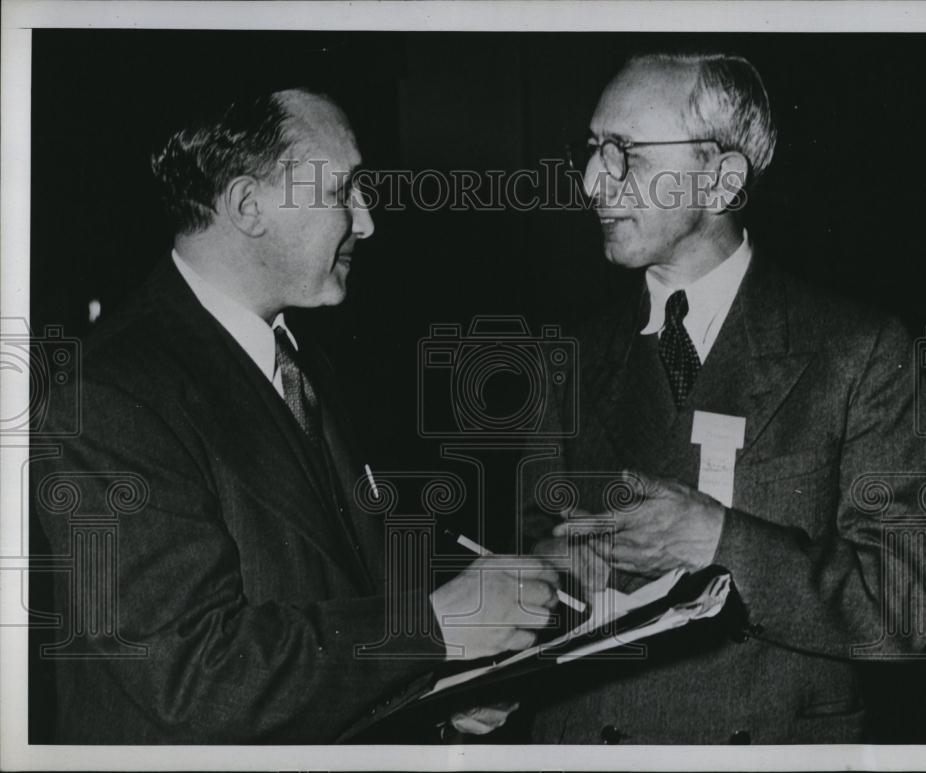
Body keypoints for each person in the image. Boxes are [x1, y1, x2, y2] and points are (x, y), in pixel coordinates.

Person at [31, 86, 558, 743]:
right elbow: (195, 674)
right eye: (343, 191)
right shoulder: (107, 394)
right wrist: (433, 631)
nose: (366, 222)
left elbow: (336, 598)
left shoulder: (302, 362)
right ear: (249, 206)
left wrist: (434, 683)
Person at [523, 52, 926, 744]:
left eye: (625, 153)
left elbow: (903, 610)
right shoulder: (566, 357)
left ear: (720, 180)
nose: (595, 180)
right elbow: (527, 558)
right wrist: (545, 578)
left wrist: (722, 541)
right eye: (591, 150)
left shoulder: (858, 350)